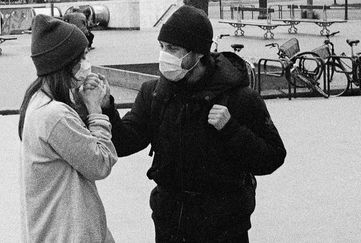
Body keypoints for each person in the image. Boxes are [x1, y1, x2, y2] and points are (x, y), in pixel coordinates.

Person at [99, 5, 286, 242]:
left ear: (197, 54)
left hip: (224, 226)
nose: (164, 55)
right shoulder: (154, 93)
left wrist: (232, 130)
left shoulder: (240, 97)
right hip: (170, 224)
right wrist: (106, 108)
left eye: (173, 49)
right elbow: (124, 142)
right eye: (162, 47)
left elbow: (273, 157)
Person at [18, 14, 117, 242]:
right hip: (69, 234)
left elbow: (72, 147)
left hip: (55, 231)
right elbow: (100, 163)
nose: (86, 64)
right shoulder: (55, 115)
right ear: (64, 64)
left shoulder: (37, 101)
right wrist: (94, 109)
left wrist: (81, 105)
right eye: (81, 58)